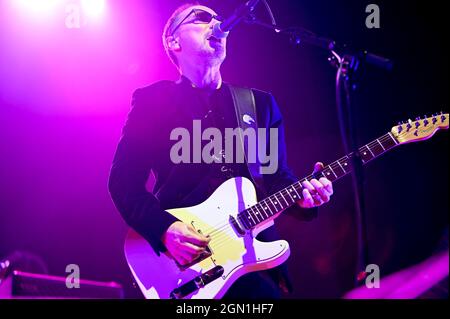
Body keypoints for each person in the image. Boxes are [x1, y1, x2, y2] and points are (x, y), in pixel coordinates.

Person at [108, 2, 333, 299]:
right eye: (201, 19)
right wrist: (165, 230)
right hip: (186, 267)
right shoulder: (153, 102)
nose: (216, 23)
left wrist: (305, 198)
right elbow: (123, 184)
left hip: (253, 265)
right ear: (174, 41)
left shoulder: (259, 104)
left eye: (217, 17)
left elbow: (277, 177)